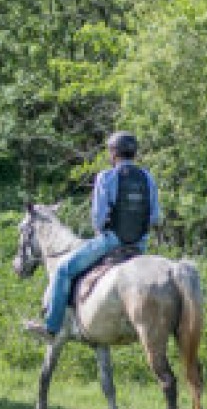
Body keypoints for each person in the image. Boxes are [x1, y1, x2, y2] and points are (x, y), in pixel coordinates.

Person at [24, 131, 161, 339]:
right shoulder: (147, 178)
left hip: (112, 241)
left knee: (63, 270)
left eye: (109, 150)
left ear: (114, 152)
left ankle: (51, 327)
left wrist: (103, 233)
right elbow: (154, 216)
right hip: (139, 246)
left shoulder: (107, 177)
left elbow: (98, 218)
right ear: (133, 153)